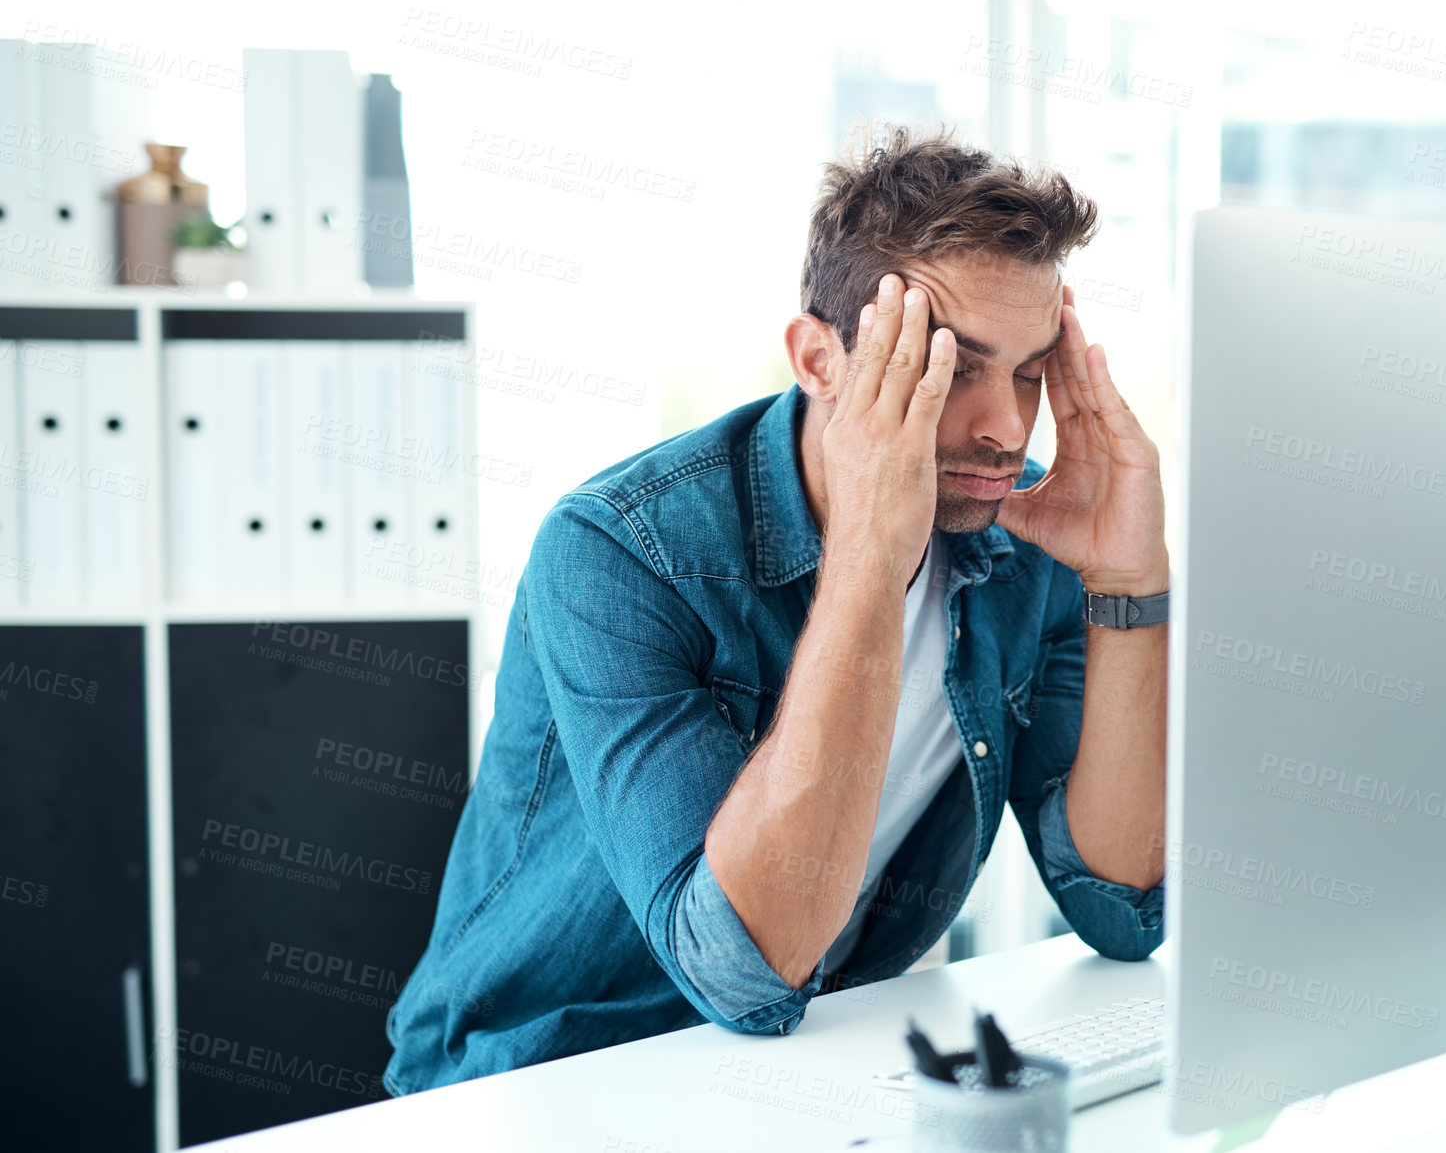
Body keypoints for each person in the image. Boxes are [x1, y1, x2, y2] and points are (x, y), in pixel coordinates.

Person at [384, 125, 1170, 1095]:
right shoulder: (621, 553)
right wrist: (872, 556)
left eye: (1029, 372)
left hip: (806, 1072)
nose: (1006, 427)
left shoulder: (1024, 541)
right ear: (817, 359)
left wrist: (1127, 584)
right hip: (535, 1081)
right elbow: (746, 971)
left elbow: (1120, 910)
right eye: (950, 367)